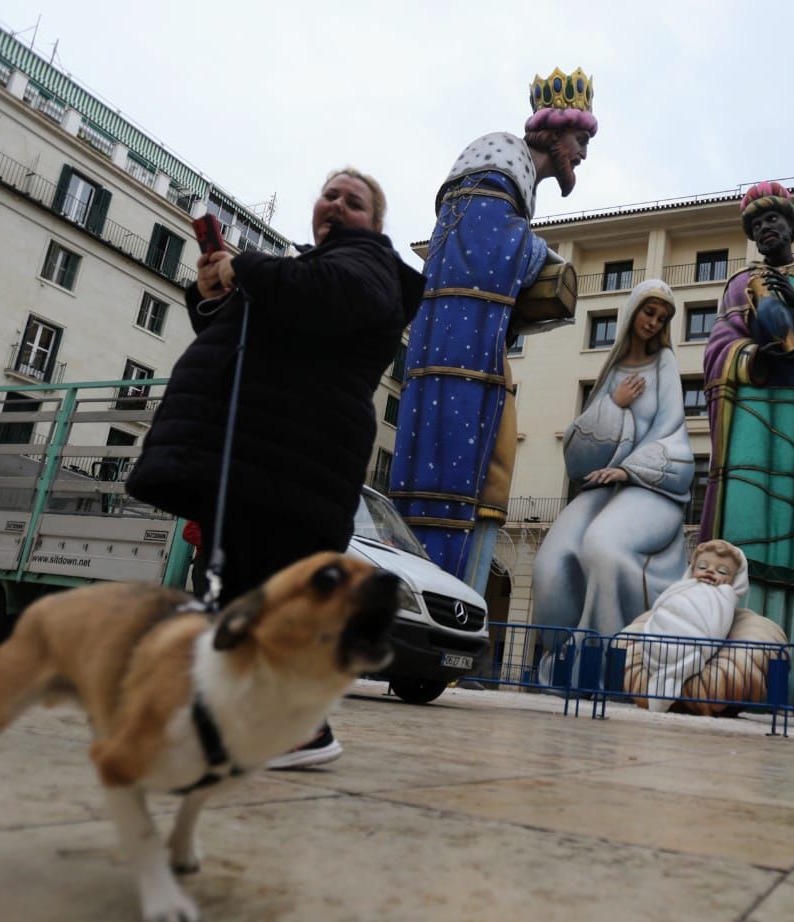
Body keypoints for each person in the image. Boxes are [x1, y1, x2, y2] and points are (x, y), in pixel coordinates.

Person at [127, 168, 421, 769]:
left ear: (374, 224)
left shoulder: (368, 263)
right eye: (329, 194)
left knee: (260, 597)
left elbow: (326, 295)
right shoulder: (308, 271)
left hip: (291, 465)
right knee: (239, 595)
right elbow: (250, 336)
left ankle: (299, 729)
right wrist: (215, 295)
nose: (336, 204)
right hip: (263, 459)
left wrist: (247, 266)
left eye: (354, 201)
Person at [389, 67, 595, 596]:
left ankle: (462, 601)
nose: (584, 154)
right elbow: (492, 249)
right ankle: (442, 597)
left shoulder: (511, 180)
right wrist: (545, 257)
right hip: (461, 355)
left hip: (478, 348)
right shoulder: (497, 163)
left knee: (492, 475)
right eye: (581, 139)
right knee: (469, 470)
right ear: (553, 131)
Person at [700, 182, 794, 656]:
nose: (765, 229)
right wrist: (754, 353)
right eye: (756, 224)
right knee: (744, 530)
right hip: (754, 413)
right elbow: (718, 346)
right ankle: (732, 655)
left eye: (773, 220)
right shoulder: (739, 285)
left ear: (792, 226)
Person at [531, 279, 694, 639]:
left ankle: (606, 658)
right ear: (633, 311)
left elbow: (672, 432)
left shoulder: (664, 362)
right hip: (602, 487)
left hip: (650, 486)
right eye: (649, 313)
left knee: (603, 546)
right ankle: (561, 657)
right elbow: (579, 447)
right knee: (550, 562)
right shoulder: (613, 369)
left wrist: (627, 469)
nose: (653, 322)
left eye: (662, 318)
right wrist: (613, 403)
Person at [639, 539, 748, 714]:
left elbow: (716, 628)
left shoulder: (724, 596)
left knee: (685, 653)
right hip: (657, 639)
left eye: (722, 571)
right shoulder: (682, 587)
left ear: (735, 580)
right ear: (692, 569)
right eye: (703, 567)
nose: (710, 571)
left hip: (690, 647)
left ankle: (670, 676)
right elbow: (660, 606)